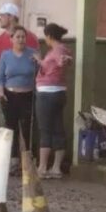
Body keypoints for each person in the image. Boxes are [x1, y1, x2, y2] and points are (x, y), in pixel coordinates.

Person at [0, 25, 38, 173]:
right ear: (11, 39)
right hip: (9, 96)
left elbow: (41, 73)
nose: (21, 39)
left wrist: (39, 61)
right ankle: (13, 162)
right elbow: (0, 78)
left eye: (23, 37)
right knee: (11, 129)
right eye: (17, 37)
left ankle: (27, 162)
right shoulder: (5, 55)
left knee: (27, 130)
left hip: (28, 95)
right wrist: (1, 92)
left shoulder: (33, 54)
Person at [33, 22, 72, 179]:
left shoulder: (56, 51)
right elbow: (58, 63)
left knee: (45, 129)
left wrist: (63, 60)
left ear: (49, 36)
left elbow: (62, 60)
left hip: (47, 93)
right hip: (59, 93)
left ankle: (42, 167)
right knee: (58, 128)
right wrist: (40, 60)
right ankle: (56, 168)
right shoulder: (61, 49)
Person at [0, 3, 38, 74]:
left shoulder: (29, 37)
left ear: (11, 17)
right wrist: (1, 77)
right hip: (4, 78)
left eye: (2, 16)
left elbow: (37, 61)